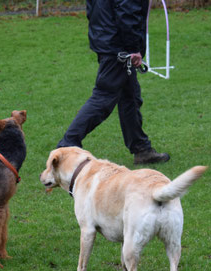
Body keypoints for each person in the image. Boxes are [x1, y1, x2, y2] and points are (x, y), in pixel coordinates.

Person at [57, 0, 170, 164]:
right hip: (118, 47)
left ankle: (141, 149)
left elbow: (93, 9)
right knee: (103, 98)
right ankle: (66, 146)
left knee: (130, 97)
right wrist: (133, 48)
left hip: (107, 40)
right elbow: (127, 12)